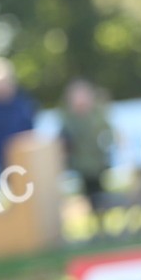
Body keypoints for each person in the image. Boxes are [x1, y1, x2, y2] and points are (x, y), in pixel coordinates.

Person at [59, 79, 116, 234]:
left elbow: (107, 134)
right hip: (81, 163)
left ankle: (103, 224)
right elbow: (65, 140)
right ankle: (96, 225)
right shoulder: (69, 118)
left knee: (101, 192)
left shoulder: (97, 114)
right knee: (89, 194)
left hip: (99, 161)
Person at [0, 57, 36, 170]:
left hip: (28, 156)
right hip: (5, 162)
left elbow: (31, 125)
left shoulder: (23, 103)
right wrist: (4, 146)